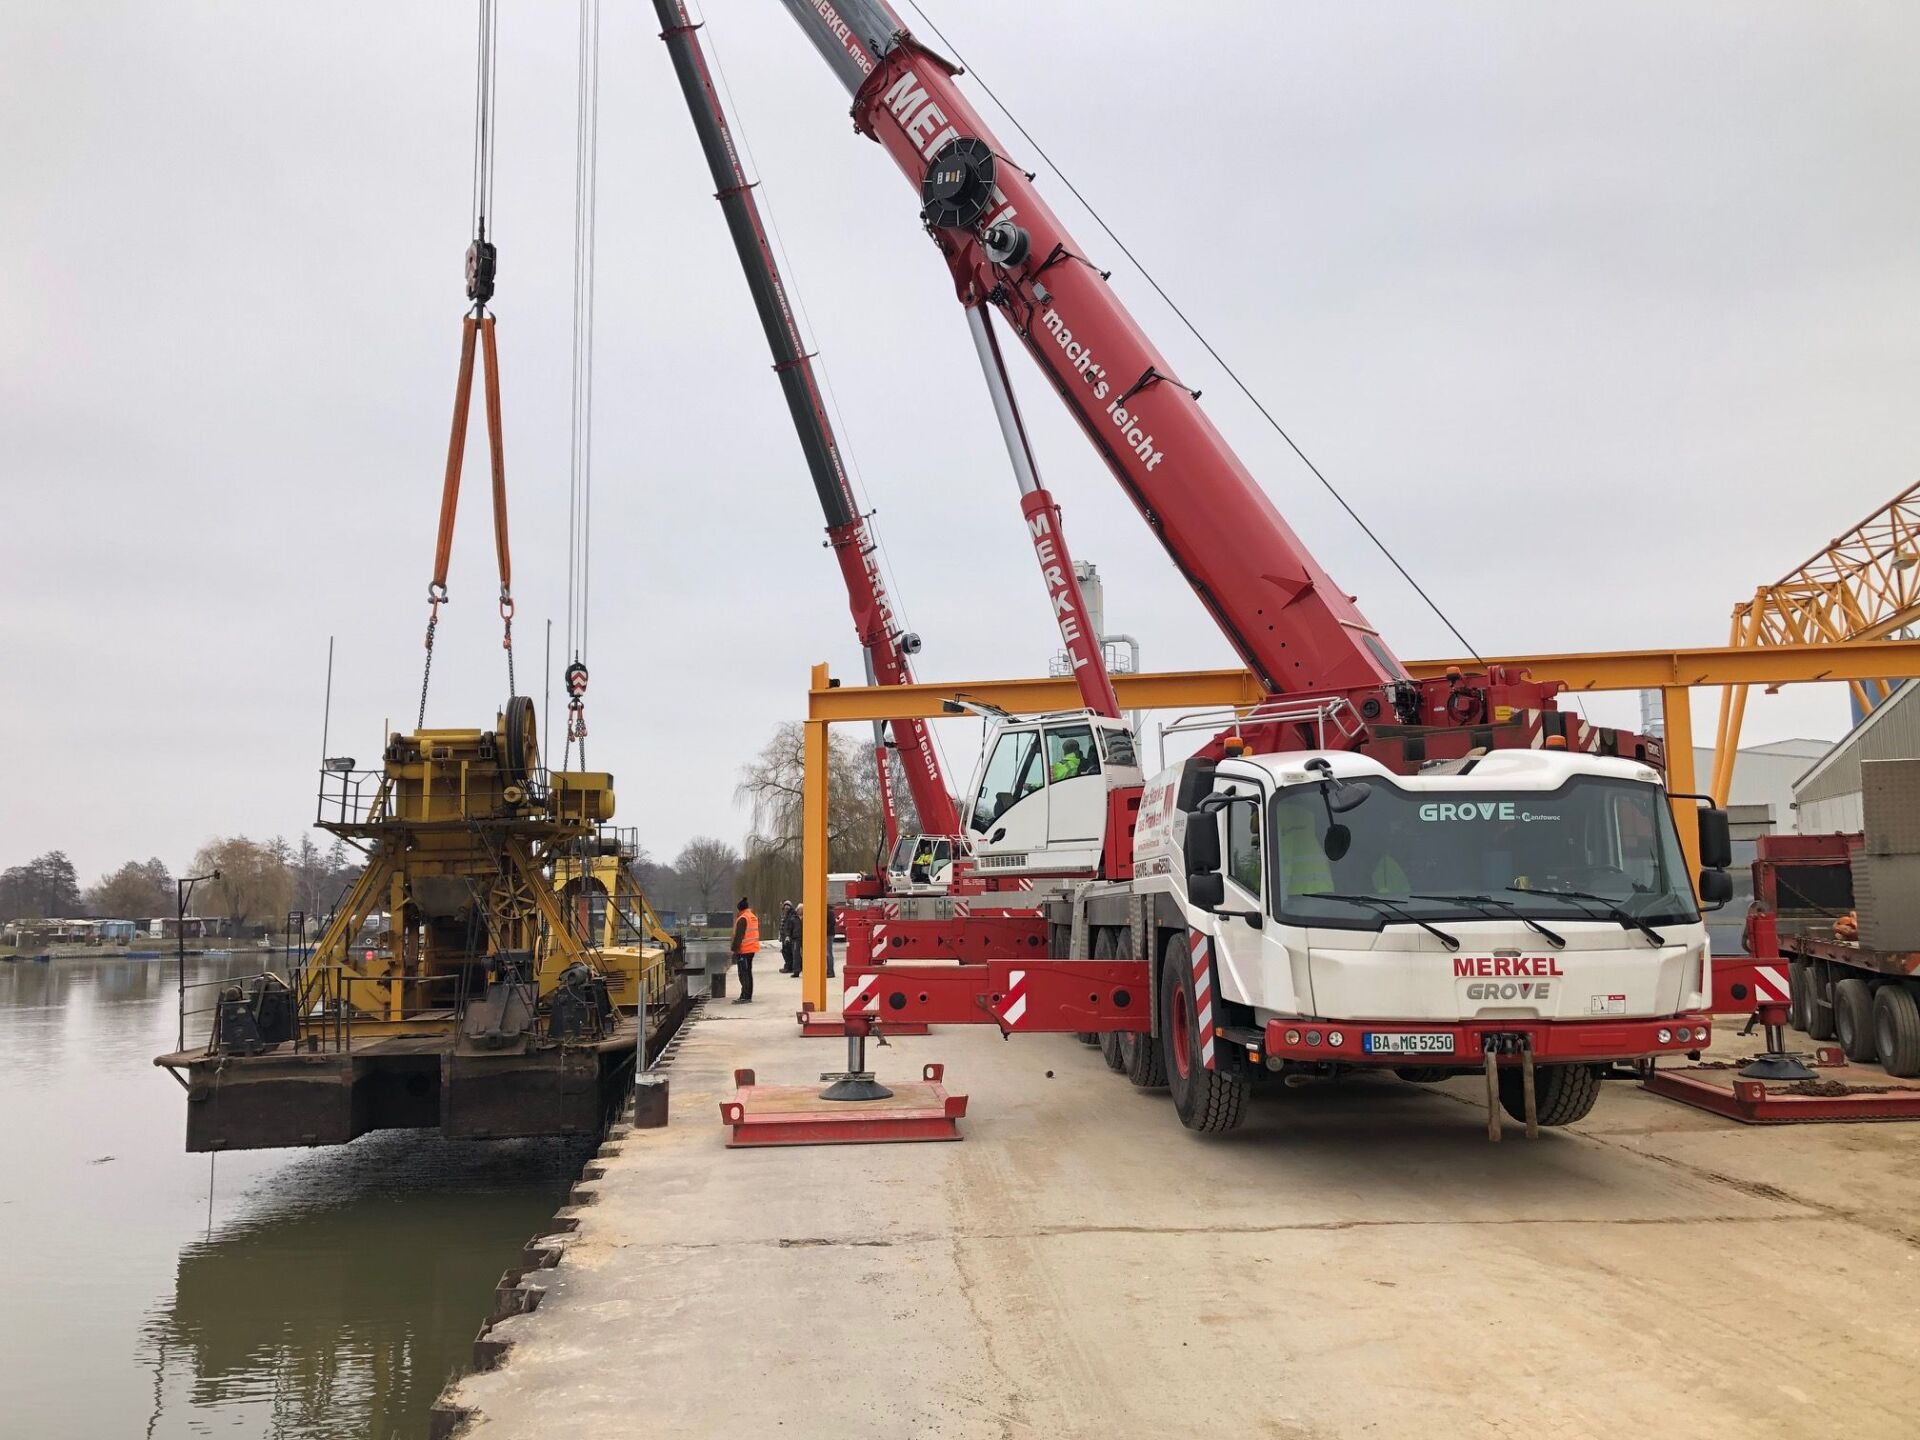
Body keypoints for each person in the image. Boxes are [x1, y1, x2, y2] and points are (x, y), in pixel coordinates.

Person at [730, 897, 759, 1003]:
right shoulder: (752, 916)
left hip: (744, 950)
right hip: (752, 949)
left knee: (743, 974)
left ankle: (745, 996)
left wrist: (734, 950)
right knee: (748, 972)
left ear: (740, 909)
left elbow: (739, 936)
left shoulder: (743, 918)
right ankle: (747, 995)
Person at [778, 900, 800, 975]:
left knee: (788, 952)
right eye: (785, 907)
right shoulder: (785, 915)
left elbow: (789, 927)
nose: (786, 908)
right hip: (785, 936)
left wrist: (788, 936)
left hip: (789, 937)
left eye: (788, 906)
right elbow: (782, 927)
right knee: (785, 952)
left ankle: (789, 967)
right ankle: (788, 966)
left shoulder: (791, 916)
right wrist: (781, 936)